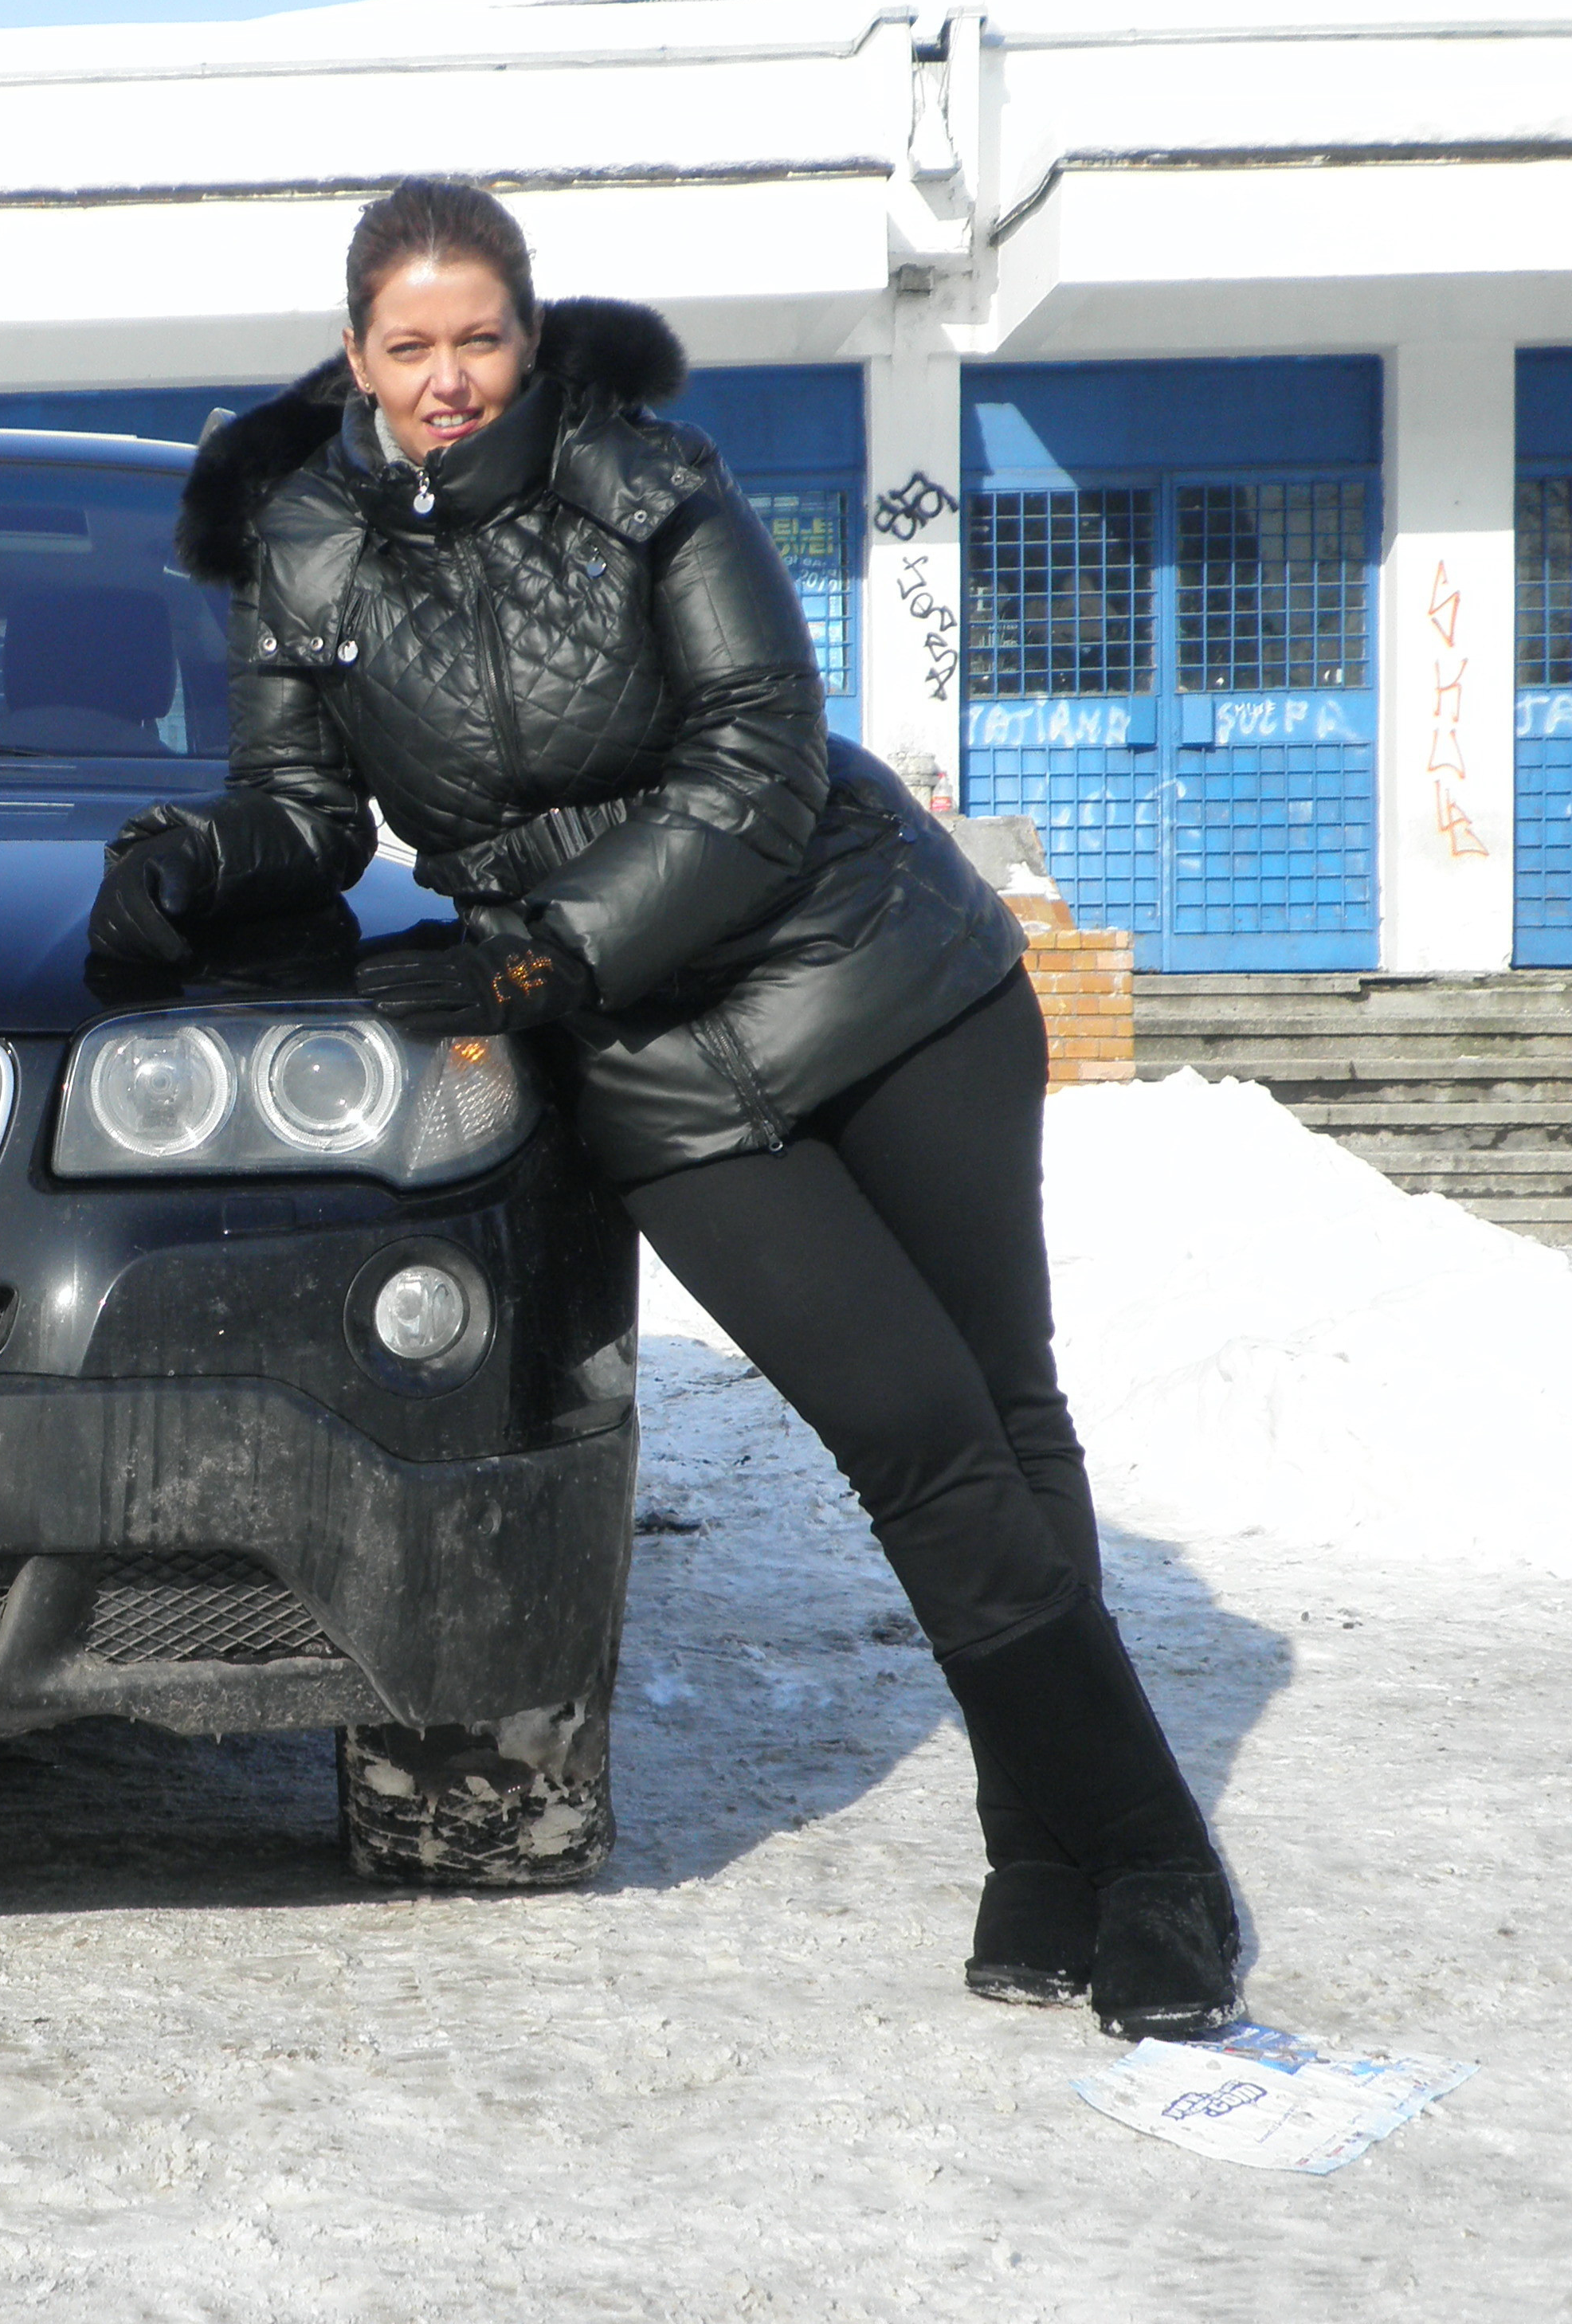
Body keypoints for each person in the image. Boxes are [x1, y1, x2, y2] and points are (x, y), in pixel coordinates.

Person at [91, 178, 1241, 2040]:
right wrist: (193, 857)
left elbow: (760, 762)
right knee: (910, 1434)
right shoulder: (302, 544)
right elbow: (306, 803)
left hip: (884, 973)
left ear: (527, 340)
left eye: (479, 339)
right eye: (410, 346)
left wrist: (540, 957)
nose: (447, 378)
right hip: (656, 1071)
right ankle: (1139, 1843)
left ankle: (1076, 1858)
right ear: (359, 357)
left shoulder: (650, 482)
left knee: (997, 1415)